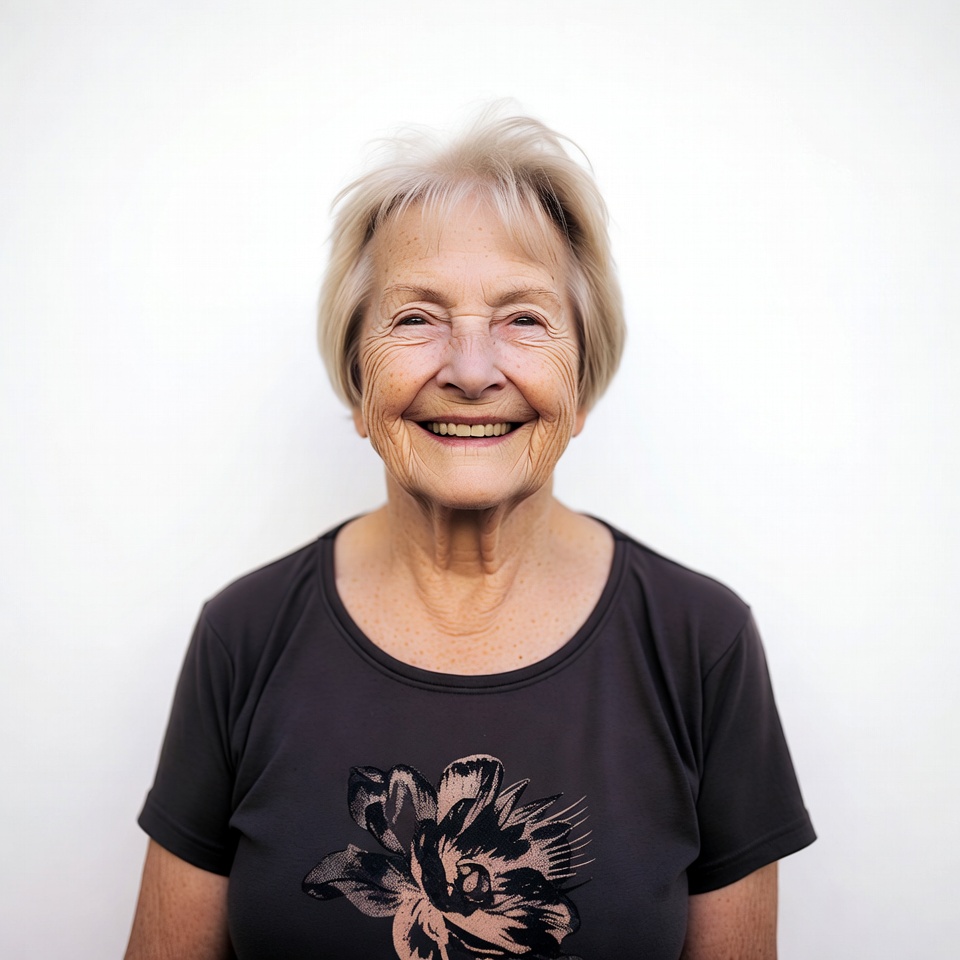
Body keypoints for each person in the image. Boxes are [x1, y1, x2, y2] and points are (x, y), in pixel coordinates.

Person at [125, 109, 815, 960]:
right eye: (416, 318)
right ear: (357, 380)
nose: (473, 369)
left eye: (524, 319)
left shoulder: (700, 642)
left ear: (583, 379)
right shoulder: (244, 636)